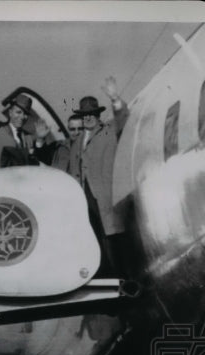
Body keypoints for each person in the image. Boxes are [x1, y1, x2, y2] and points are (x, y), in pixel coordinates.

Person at [64, 78, 130, 277]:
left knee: (112, 237)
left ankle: (121, 277)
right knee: (93, 238)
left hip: (104, 195)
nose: (88, 118)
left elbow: (123, 118)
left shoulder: (109, 131)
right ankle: (103, 276)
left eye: (92, 114)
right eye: (84, 115)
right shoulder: (76, 141)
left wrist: (115, 99)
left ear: (98, 115)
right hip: (84, 196)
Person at [0, 93, 38, 170]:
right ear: (10, 113)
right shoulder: (2, 133)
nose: (22, 117)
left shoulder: (23, 135)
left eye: (25, 114)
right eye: (18, 112)